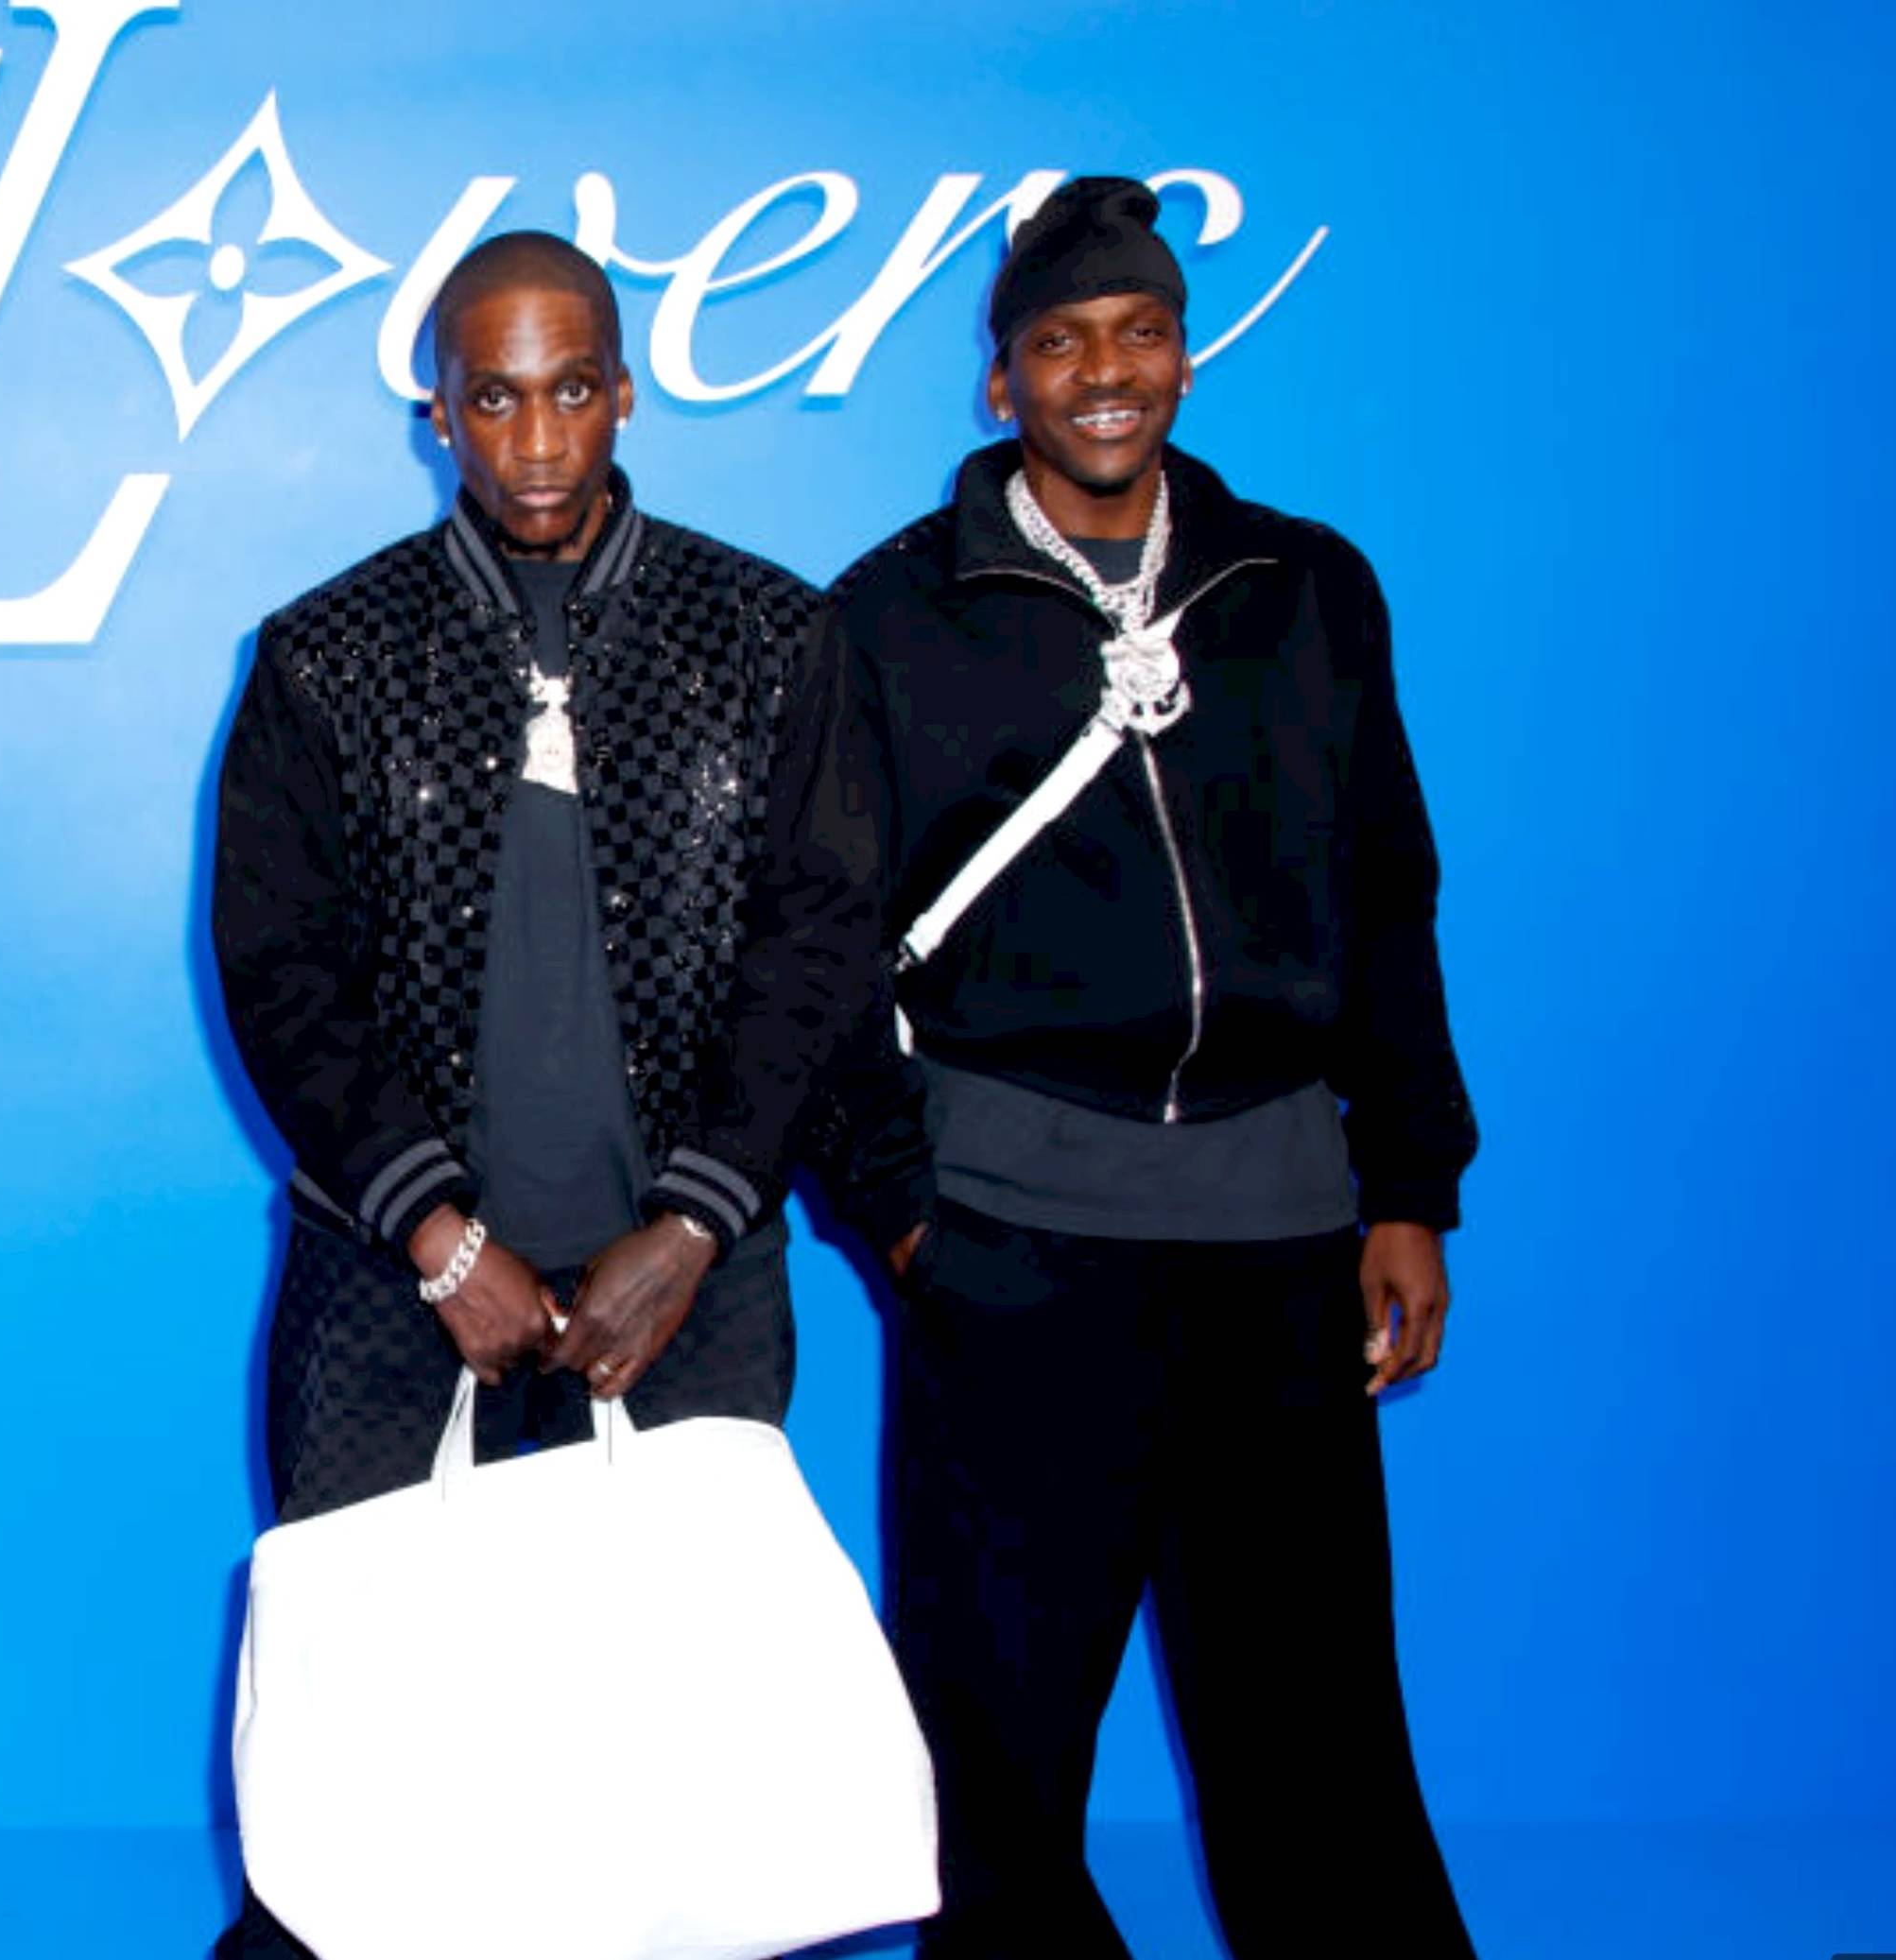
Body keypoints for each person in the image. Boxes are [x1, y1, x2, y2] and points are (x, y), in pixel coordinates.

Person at [206, 231, 921, 1956]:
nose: (536, 440)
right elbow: (280, 977)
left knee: (678, 1767)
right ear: (437, 410)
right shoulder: (324, 655)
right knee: (366, 1762)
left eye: (571, 389)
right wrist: (439, 1241)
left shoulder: (770, 636)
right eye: (495, 399)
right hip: (389, 1290)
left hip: (687, 1281)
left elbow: (820, 953)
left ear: (624, 391)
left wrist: (693, 1224)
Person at [821, 177, 1481, 1955]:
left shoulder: (1304, 588)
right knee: (995, 1748)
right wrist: (900, 1208)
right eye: (1057, 341)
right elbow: (816, 946)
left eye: (1136, 333)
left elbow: (1387, 892)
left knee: (1313, 1730)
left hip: (1277, 1238)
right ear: (1001, 381)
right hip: (1014, 1241)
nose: (1101, 372)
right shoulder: (889, 617)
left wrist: (1407, 1184)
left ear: (1185, 357)